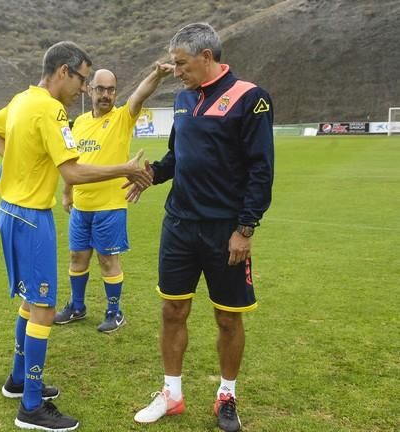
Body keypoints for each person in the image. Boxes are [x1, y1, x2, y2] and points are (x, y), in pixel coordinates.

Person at [0, 41, 152, 431]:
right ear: (62, 72)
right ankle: (32, 406)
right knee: (42, 306)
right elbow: (72, 173)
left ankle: (18, 380)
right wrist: (123, 167)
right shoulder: (52, 110)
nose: (83, 89)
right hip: (31, 218)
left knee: (29, 300)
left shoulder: (22, 99)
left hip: (8, 211)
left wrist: (18, 166)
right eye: (82, 80)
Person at [131, 23, 274, 432]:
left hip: (225, 230)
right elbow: (177, 157)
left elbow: (261, 169)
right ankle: (171, 394)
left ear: (206, 57)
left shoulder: (250, 98)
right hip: (179, 226)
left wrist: (245, 229)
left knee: (228, 318)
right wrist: (152, 173)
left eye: (181, 63)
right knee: (172, 310)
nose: (175, 70)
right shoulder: (182, 100)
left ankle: (226, 396)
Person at [54, 63, 172, 333]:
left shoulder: (122, 118)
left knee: (107, 260)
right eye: (100, 89)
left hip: (110, 207)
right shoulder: (80, 122)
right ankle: (77, 306)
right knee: (76, 257)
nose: (105, 94)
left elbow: (139, 95)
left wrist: (155, 74)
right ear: (90, 90)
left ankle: (114, 311)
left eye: (111, 90)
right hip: (81, 207)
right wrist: (66, 191)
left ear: (115, 93)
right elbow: (73, 163)